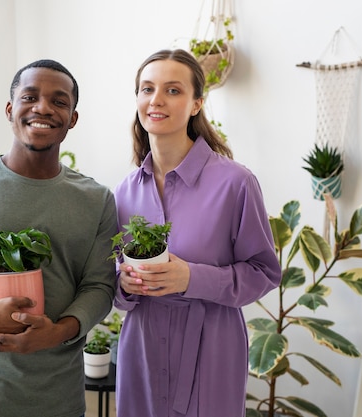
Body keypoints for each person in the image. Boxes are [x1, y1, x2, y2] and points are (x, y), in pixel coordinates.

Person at [0, 59, 118, 417]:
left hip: (61, 399)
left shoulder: (97, 200)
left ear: (73, 118)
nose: (43, 107)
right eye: (30, 97)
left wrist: (58, 332)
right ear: (10, 110)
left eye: (59, 102)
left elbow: (100, 287)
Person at [113, 49, 282, 417]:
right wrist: (123, 284)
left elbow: (265, 273)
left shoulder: (236, 183)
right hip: (141, 346)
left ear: (196, 105)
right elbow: (112, 279)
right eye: (147, 89)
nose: (156, 100)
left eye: (173, 90)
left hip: (212, 346)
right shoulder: (125, 191)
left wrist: (192, 277)